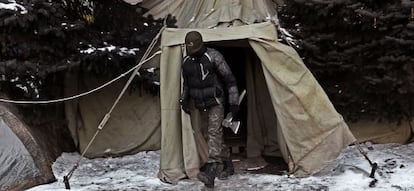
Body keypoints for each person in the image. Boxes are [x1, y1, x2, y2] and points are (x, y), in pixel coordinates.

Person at [180, 31, 239, 188]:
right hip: (200, 103)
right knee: (211, 134)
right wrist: (184, 99)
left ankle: (210, 171)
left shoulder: (214, 56)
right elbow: (187, 83)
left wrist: (234, 105)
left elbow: (230, 80)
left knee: (214, 132)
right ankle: (228, 164)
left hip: (216, 101)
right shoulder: (186, 62)